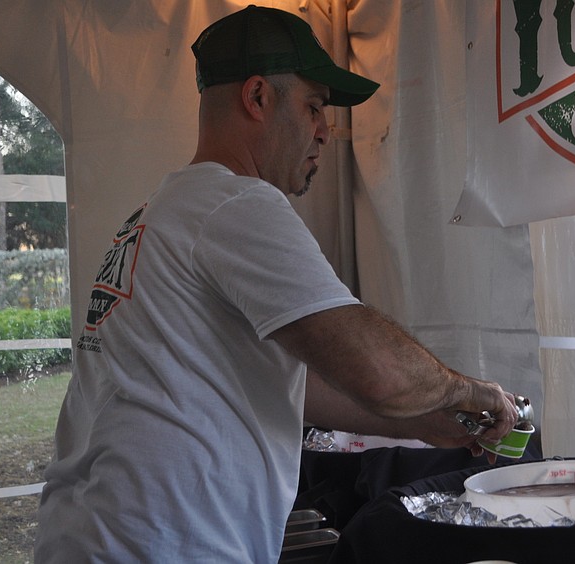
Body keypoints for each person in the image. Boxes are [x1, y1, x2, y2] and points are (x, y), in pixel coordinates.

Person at [35, 5, 517, 563]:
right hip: (163, 544)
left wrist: (424, 421)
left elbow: (293, 384)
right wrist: (467, 391)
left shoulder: (165, 210)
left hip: (99, 536)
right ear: (258, 97)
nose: (324, 130)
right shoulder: (237, 203)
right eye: (313, 106)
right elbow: (379, 372)